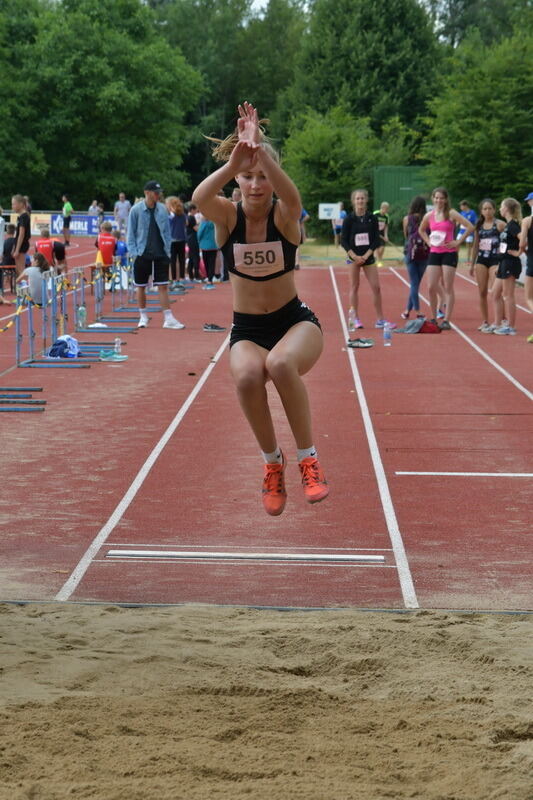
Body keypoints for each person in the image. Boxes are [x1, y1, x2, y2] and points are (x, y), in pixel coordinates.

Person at [192, 101, 328, 515]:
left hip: (294, 323)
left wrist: (263, 155)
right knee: (249, 374)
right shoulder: (227, 218)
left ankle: (309, 458)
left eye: (261, 177)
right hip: (247, 329)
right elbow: (200, 196)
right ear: (237, 182)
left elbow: (294, 195)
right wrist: (236, 162)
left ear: (272, 177)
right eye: (247, 178)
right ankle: (273, 463)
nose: (255, 185)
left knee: (281, 365)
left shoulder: (284, 217)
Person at [127, 180, 185, 330]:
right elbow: (130, 234)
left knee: (163, 286)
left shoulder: (162, 209)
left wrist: (167, 251)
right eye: (155, 192)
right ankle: (143, 316)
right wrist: (135, 253)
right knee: (141, 286)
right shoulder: (135, 210)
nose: (158, 195)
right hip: (142, 253)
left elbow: (166, 232)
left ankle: (168, 318)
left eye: (159, 192)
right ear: (147, 193)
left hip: (160, 253)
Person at [418, 187, 474, 329]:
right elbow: (421, 230)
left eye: (442, 198)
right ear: (433, 198)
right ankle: (433, 318)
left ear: (446, 199)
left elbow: (470, 227)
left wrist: (458, 242)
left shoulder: (451, 213)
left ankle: (446, 320)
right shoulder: (429, 215)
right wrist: (428, 242)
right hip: (434, 252)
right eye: (436, 197)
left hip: (449, 252)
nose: (439, 200)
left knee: (448, 286)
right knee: (431, 286)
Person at [341, 188, 392, 331]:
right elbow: (343, 241)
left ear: (366, 200)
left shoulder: (372, 218)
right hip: (353, 257)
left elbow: (376, 240)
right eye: (357, 198)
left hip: (368, 256)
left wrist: (366, 255)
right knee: (354, 287)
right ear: (353, 201)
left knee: (376, 287)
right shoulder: (349, 219)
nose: (360, 201)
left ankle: (380, 319)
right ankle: (354, 319)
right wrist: (355, 256)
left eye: (362, 198)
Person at [470, 199, 505, 333]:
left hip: (495, 260)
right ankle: (485, 321)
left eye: (490, 208)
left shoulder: (500, 225)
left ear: (494, 210)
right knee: (482, 292)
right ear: (481, 211)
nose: (487, 211)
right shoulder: (478, 225)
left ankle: (502, 320)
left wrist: (503, 258)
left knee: (495, 291)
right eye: (485, 209)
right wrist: (472, 264)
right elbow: (475, 246)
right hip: (482, 260)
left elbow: (508, 241)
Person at [490, 198, 522, 336]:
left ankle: (511, 326)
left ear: (507, 209)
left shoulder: (514, 225)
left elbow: (524, 239)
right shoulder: (508, 226)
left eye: (501, 207)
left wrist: (519, 252)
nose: (499, 209)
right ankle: (498, 323)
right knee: (495, 293)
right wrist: (498, 263)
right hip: (503, 262)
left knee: (508, 295)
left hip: (511, 262)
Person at [401, 196, 429, 319]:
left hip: (410, 253)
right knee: (416, 283)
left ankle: (408, 310)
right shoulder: (427, 219)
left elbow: (406, 236)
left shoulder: (407, 219)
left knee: (414, 283)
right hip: (424, 254)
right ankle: (416, 311)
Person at [519, 191, 533, 343]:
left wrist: (522, 252)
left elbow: (522, 243)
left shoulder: (527, 221)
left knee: (529, 297)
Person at [166, 195, 187, 284]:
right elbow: (186, 223)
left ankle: (175, 279)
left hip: (173, 240)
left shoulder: (171, 215)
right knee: (181, 260)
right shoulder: (182, 215)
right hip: (181, 239)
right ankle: (181, 278)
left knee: (173, 261)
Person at [11, 195, 31, 276]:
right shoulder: (21, 216)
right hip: (19, 245)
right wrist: (14, 247)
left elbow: (21, 234)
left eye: (14, 204)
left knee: (21, 270)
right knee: (18, 270)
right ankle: (21, 287)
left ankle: (24, 287)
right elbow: (17, 234)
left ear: (21, 204)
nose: (12, 206)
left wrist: (17, 250)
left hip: (22, 245)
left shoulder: (24, 216)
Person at [197, 216, 218, 284]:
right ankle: (210, 279)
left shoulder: (204, 223)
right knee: (212, 262)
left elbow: (199, 234)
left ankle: (208, 277)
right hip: (214, 245)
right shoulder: (214, 223)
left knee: (206, 262)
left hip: (204, 246)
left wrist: (199, 241)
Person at [185, 202, 201, 281]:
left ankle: (191, 274)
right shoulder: (192, 218)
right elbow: (196, 229)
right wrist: (200, 225)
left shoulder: (187, 217)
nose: (196, 211)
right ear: (192, 210)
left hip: (189, 239)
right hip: (193, 239)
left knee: (191, 257)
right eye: (195, 210)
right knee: (196, 257)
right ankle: (196, 275)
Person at [373, 201, 390, 267]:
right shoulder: (375, 213)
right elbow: (371, 224)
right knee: (376, 248)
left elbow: (386, 226)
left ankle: (378, 259)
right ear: (382, 208)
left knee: (382, 248)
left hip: (382, 233)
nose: (387, 210)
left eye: (387, 209)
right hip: (374, 232)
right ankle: (378, 261)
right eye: (386, 209)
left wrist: (386, 235)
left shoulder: (386, 216)